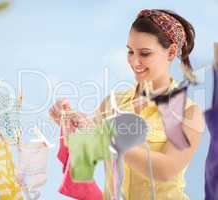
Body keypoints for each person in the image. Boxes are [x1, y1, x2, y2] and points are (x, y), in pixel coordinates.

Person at [49, 9, 205, 200]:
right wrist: (68, 120)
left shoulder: (189, 112)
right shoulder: (112, 103)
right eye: (130, 51)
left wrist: (105, 137)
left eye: (145, 53)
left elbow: (166, 169)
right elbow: (89, 149)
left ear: (171, 52)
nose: (134, 61)